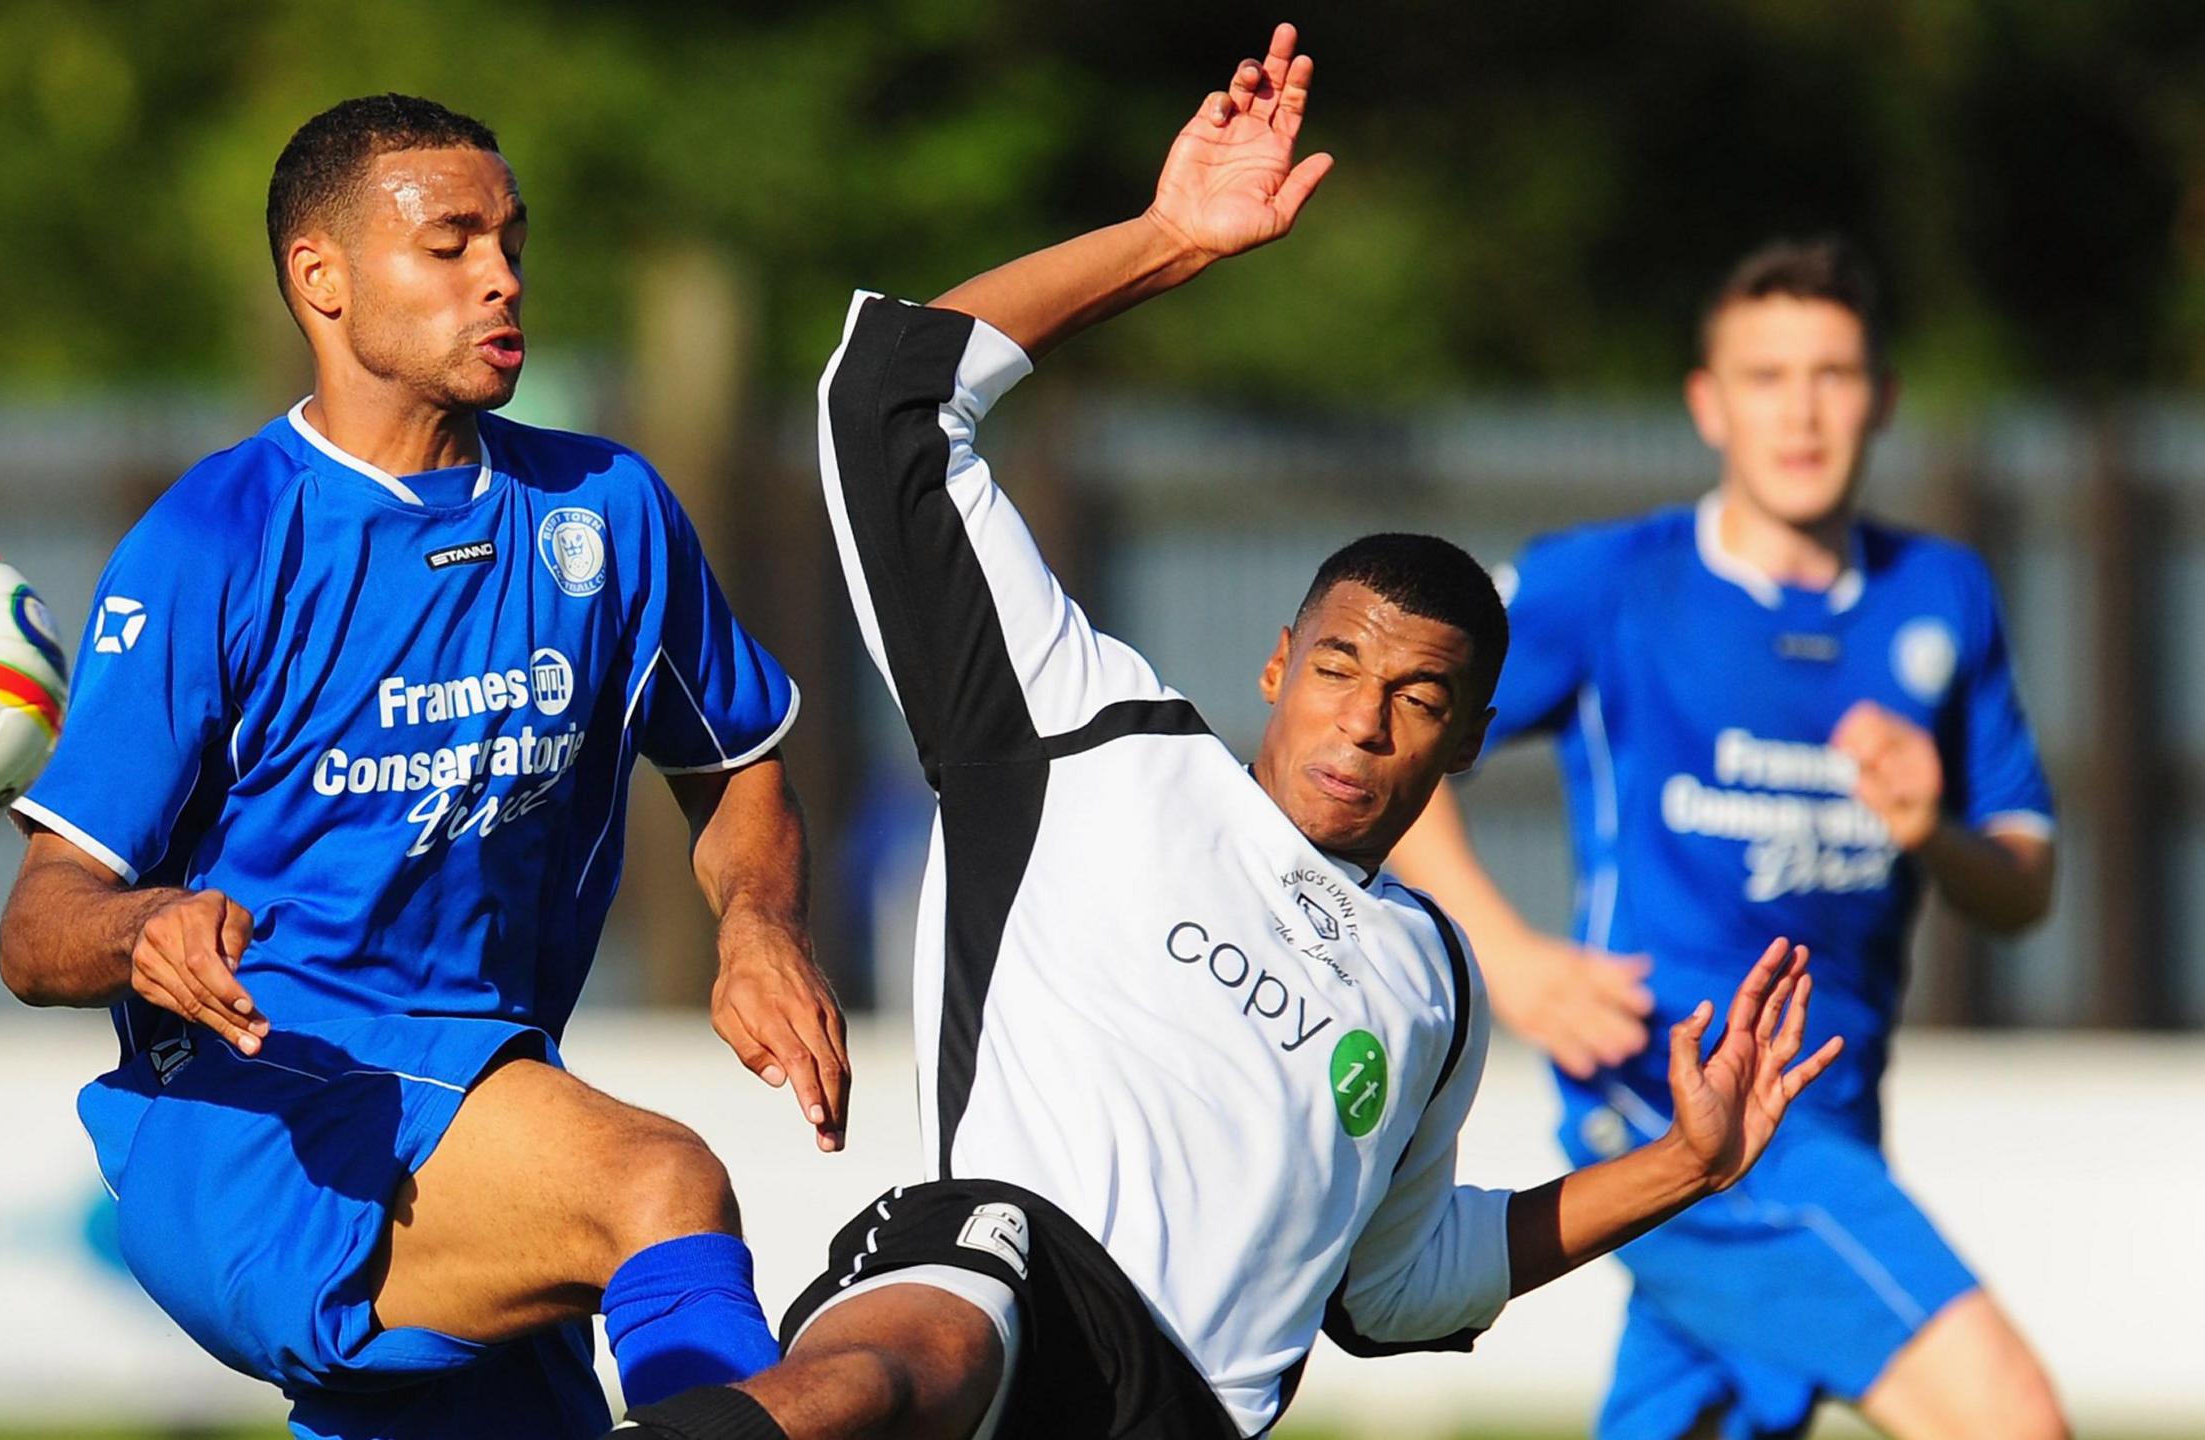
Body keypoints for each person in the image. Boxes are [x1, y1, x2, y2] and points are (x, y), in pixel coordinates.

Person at [609, 27, 1840, 1440]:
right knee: (922, 1339)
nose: (1363, 721)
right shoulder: (1092, 738)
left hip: (1182, 1415)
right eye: (1336, 667)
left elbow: (1393, 1291)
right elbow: (887, 402)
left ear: (1468, 739)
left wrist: (1684, 1163)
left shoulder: (1429, 985)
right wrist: (1168, 240)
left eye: (1418, 701)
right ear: (1276, 661)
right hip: (1003, 1288)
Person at [0, 94, 850, 1440]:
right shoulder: (216, 539)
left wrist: (755, 923)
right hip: (260, 1128)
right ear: (319, 279)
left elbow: (736, 765)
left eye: (510, 239)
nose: (502, 276)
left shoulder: (603, 512)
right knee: (657, 1184)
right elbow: (40, 928)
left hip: (483, 1107)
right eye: (449, 244)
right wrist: (148, 926)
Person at [1390, 235, 2070, 1439]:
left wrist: (1931, 830)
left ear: (1884, 399)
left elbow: (2022, 888)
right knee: (2008, 1418)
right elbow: (1395, 719)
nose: (1800, 411)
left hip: (1830, 1107)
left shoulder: (1941, 596)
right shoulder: (1613, 584)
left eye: (1833, 374)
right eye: (1765, 377)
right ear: (1708, 404)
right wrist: (1510, 957)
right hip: (1668, 1100)